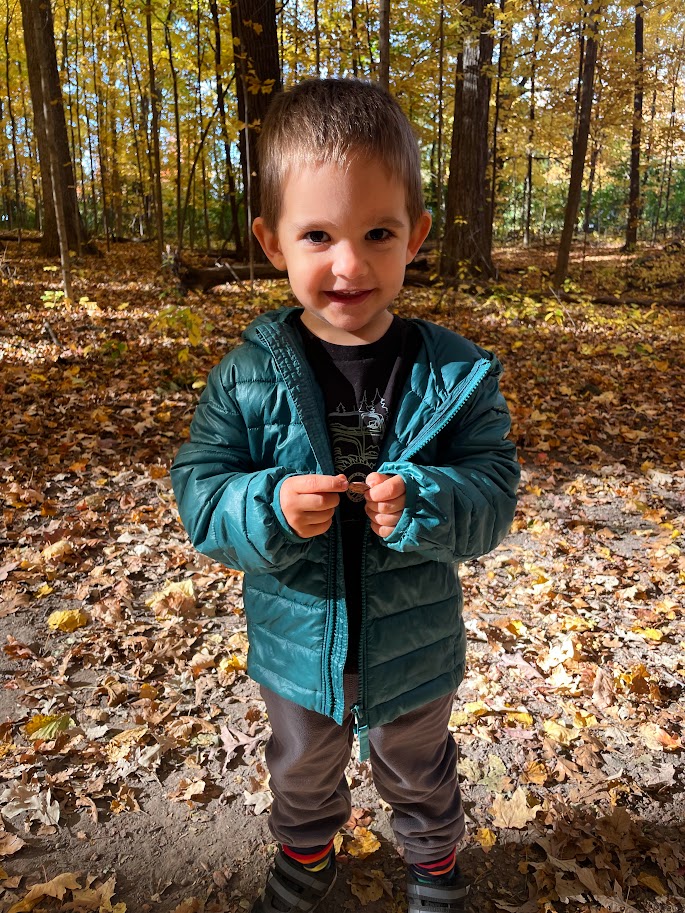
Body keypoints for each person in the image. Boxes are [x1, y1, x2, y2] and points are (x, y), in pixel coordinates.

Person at [171, 78, 520, 913]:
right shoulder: (247, 374)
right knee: (299, 767)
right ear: (271, 241)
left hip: (414, 644)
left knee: (420, 768)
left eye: (377, 233)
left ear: (416, 236)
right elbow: (201, 491)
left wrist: (428, 500)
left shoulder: (454, 370)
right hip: (296, 645)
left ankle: (433, 870)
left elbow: (494, 489)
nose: (349, 264)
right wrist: (268, 506)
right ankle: (305, 861)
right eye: (318, 234)